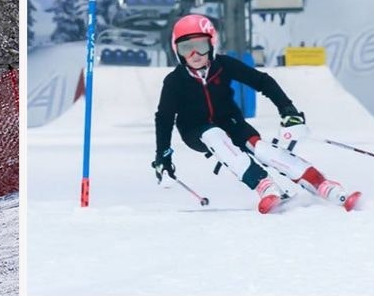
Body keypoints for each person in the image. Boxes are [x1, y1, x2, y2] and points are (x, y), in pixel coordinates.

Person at [151, 14, 360, 213]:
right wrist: (163, 155)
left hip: (230, 121)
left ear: (212, 44)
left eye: (200, 47)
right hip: (195, 129)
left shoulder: (223, 66)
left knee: (262, 150)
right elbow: (164, 118)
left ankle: (323, 184)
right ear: (177, 51)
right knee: (214, 136)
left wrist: (288, 110)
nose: (194, 55)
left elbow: (262, 81)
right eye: (186, 48)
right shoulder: (174, 81)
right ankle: (264, 185)